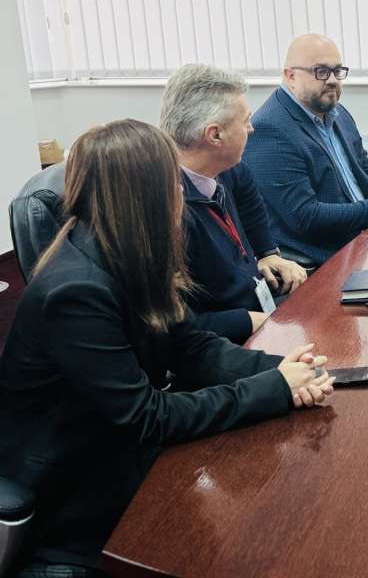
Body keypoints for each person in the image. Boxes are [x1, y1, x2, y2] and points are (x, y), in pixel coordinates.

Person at [0, 120, 334, 576]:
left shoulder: (130, 256)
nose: (181, 193)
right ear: (145, 195)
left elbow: (191, 347)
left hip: (122, 461)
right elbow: (146, 417)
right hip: (74, 507)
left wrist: (285, 369)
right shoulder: (75, 291)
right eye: (172, 182)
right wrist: (273, 389)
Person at [242, 33, 368, 265]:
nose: (332, 80)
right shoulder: (271, 130)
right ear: (290, 76)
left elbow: (365, 172)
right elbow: (306, 217)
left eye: (337, 71)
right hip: (324, 257)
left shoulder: (337, 114)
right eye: (321, 71)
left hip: (362, 239)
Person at [160, 63, 308, 344]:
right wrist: (249, 321)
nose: (251, 129)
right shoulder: (166, 209)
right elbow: (171, 326)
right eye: (245, 121)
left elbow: (252, 209)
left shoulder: (230, 169)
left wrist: (267, 253)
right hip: (223, 342)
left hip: (257, 304)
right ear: (215, 135)